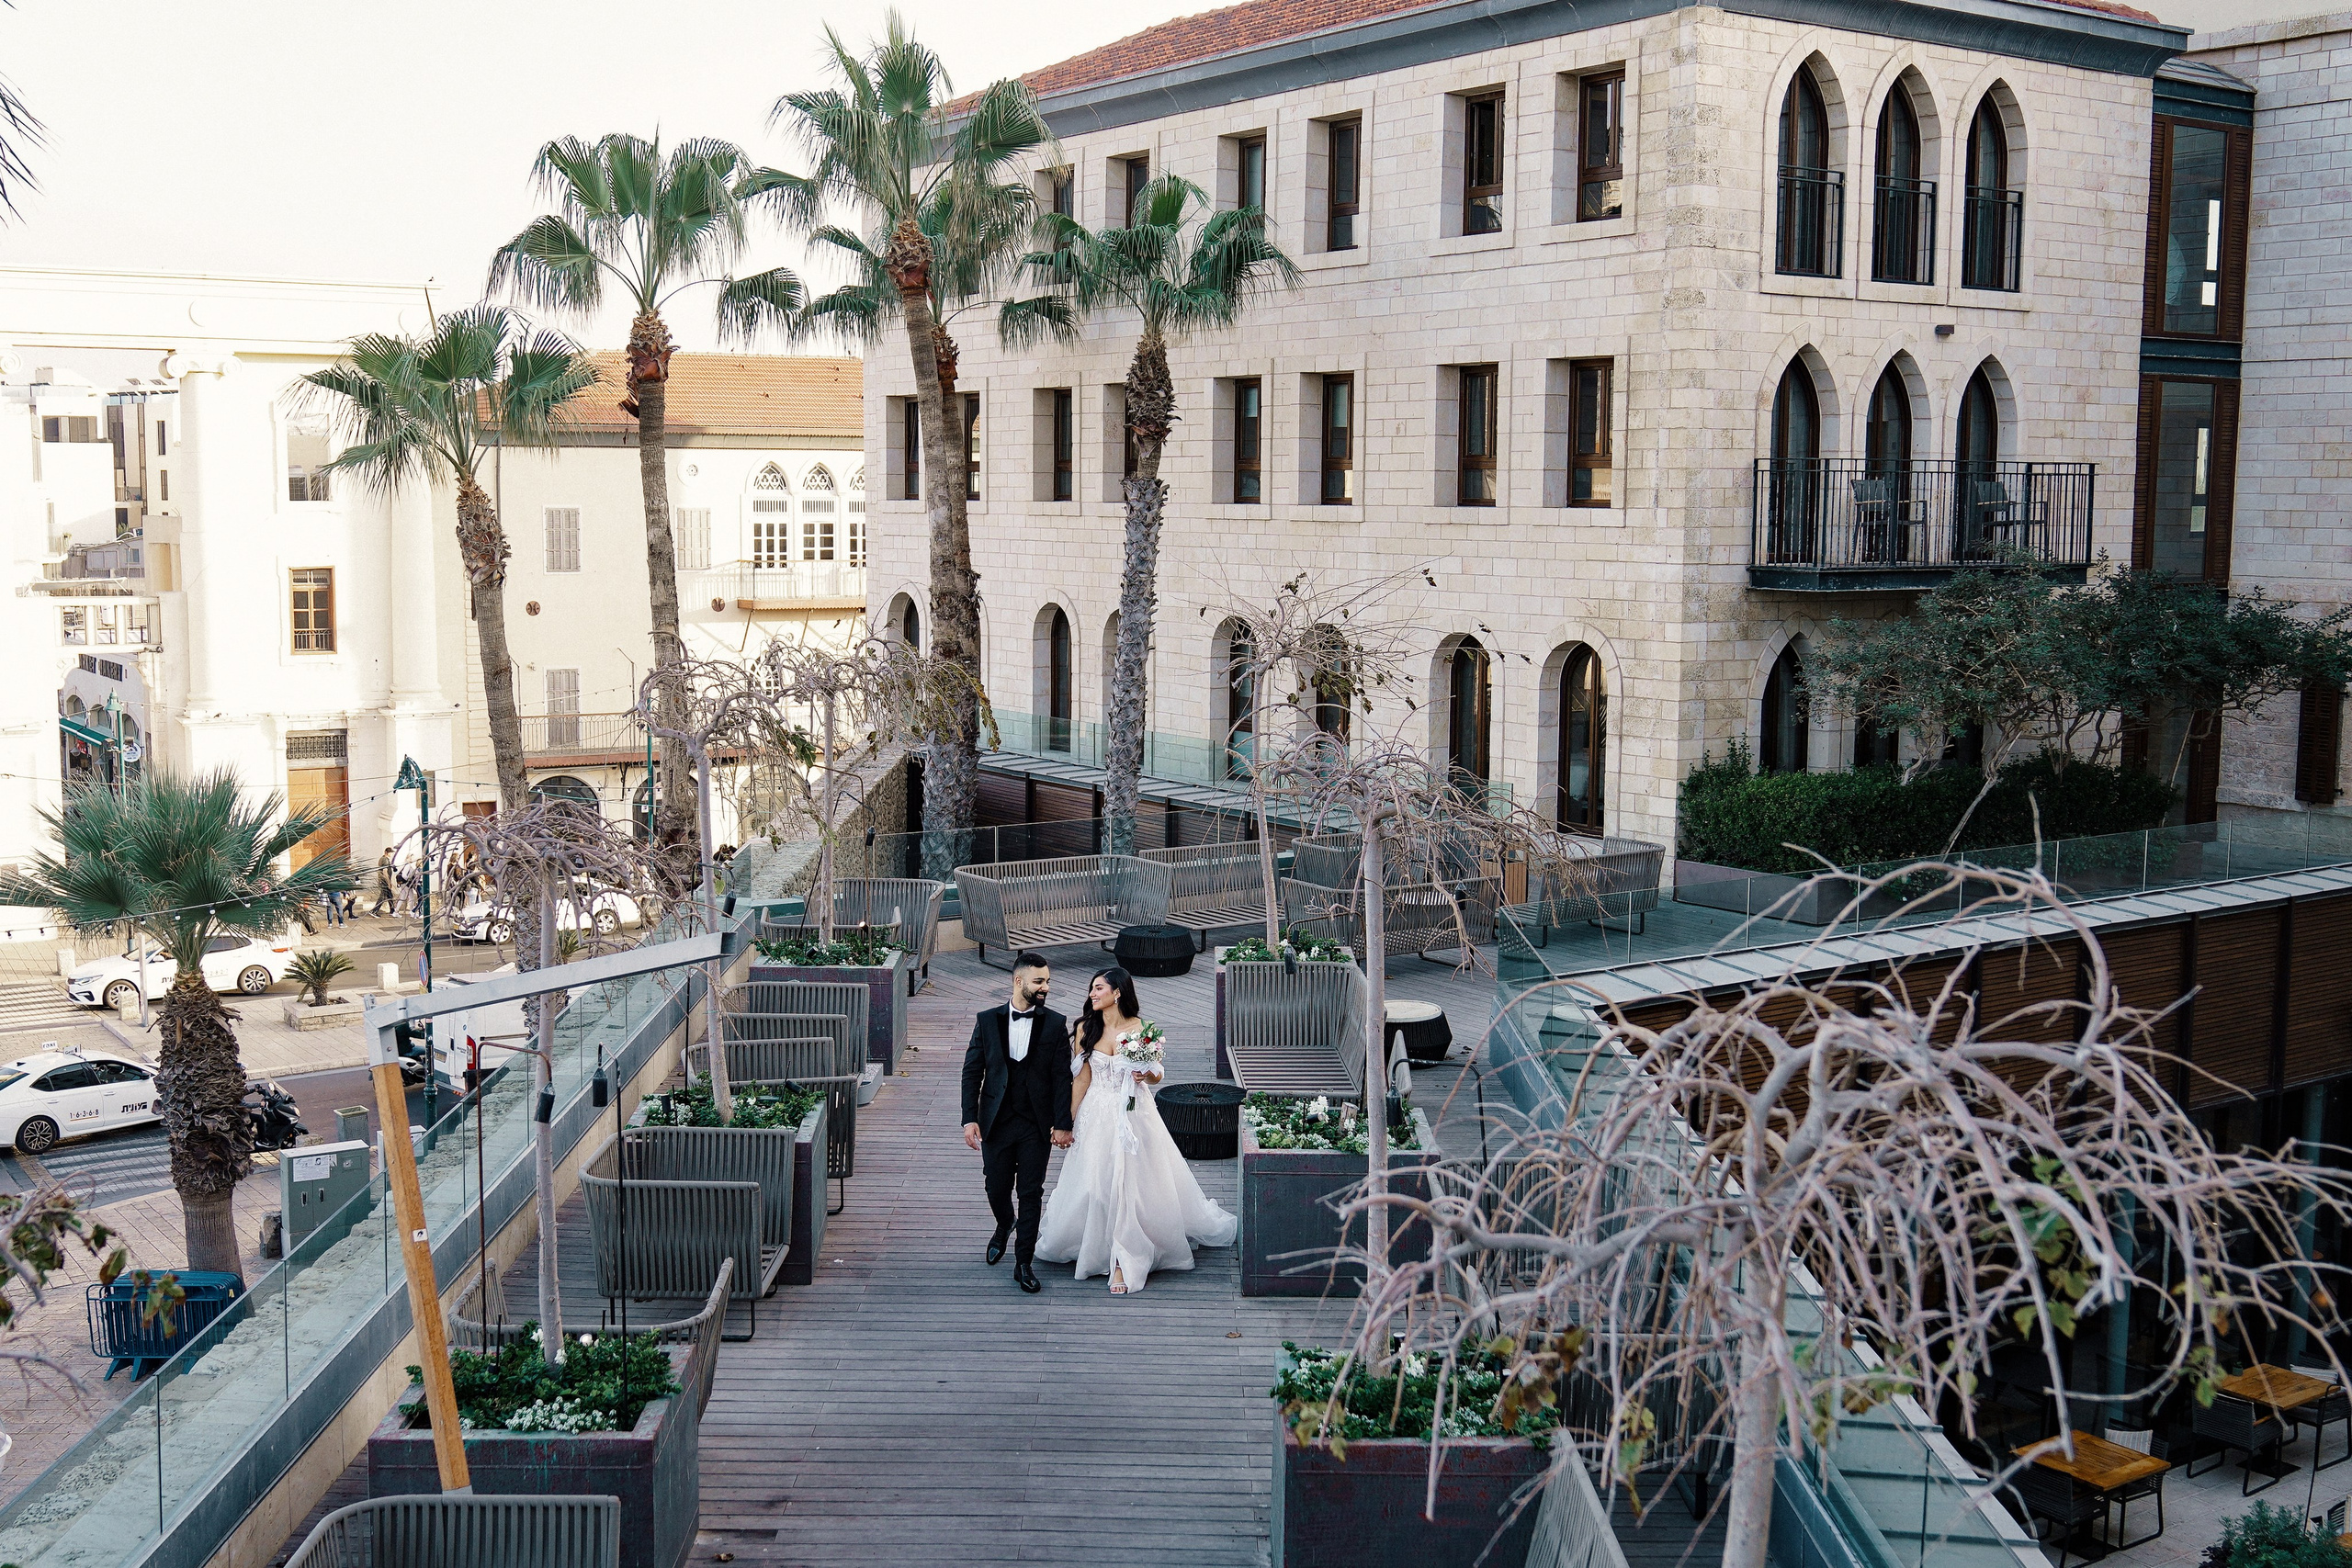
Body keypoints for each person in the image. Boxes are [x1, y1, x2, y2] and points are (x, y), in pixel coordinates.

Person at [1035, 965, 1237, 1294]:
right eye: (1092, 988)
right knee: (1096, 1186)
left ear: (1117, 993)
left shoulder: (1140, 1028)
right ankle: (1098, 1246)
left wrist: (1146, 1074)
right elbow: (1081, 1080)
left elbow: (1157, 1074)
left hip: (1134, 1112)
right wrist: (1065, 1123)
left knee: (1133, 1187)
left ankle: (1122, 1259)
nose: (1092, 994)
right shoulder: (1086, 1028)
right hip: (1097, 1113)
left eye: (1099, 988)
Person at [960, 952, 1075, 1294]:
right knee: (995, 1186)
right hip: (995, 1120)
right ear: (1018, 981)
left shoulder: (1055, 1023)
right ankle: (1004, 1222)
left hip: (1036, 1125)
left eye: (1048, 981)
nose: (1045, 987)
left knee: (1031, 1192)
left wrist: (1062, 1123)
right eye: (1039, 981)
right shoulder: (986, 1020)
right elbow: (972, 1072)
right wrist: (969, 1119)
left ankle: (1023, 1262)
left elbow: (1062, 1079)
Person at [371, 850, 397, 917]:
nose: (391, 854)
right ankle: (374, 911)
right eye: (390, 852)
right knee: (382, 896)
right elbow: (385, 871)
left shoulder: (384, 859)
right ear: (386, 852)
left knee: (390, 895)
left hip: (383, 881)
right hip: (384, 881)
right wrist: (389, 882)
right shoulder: (385, 860)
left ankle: (392, 911)